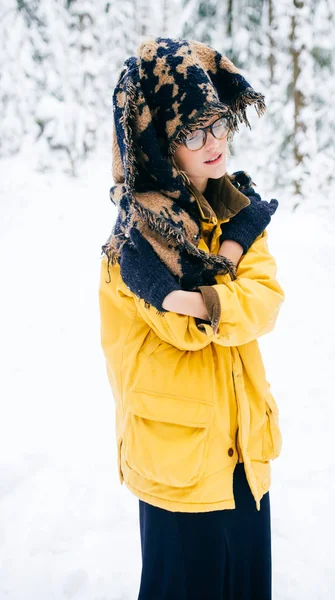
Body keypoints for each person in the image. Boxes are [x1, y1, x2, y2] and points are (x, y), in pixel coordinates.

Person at [99, 36, 285, 600]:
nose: (215, 143)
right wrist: (229, 258)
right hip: (177, 468)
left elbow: (267, 300)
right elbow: (185, 328)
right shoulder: (136, 240)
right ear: (160, 143)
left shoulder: (237, 211)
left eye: (220, 124)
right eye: (191, 132)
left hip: (243, 455)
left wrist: (207, 289)